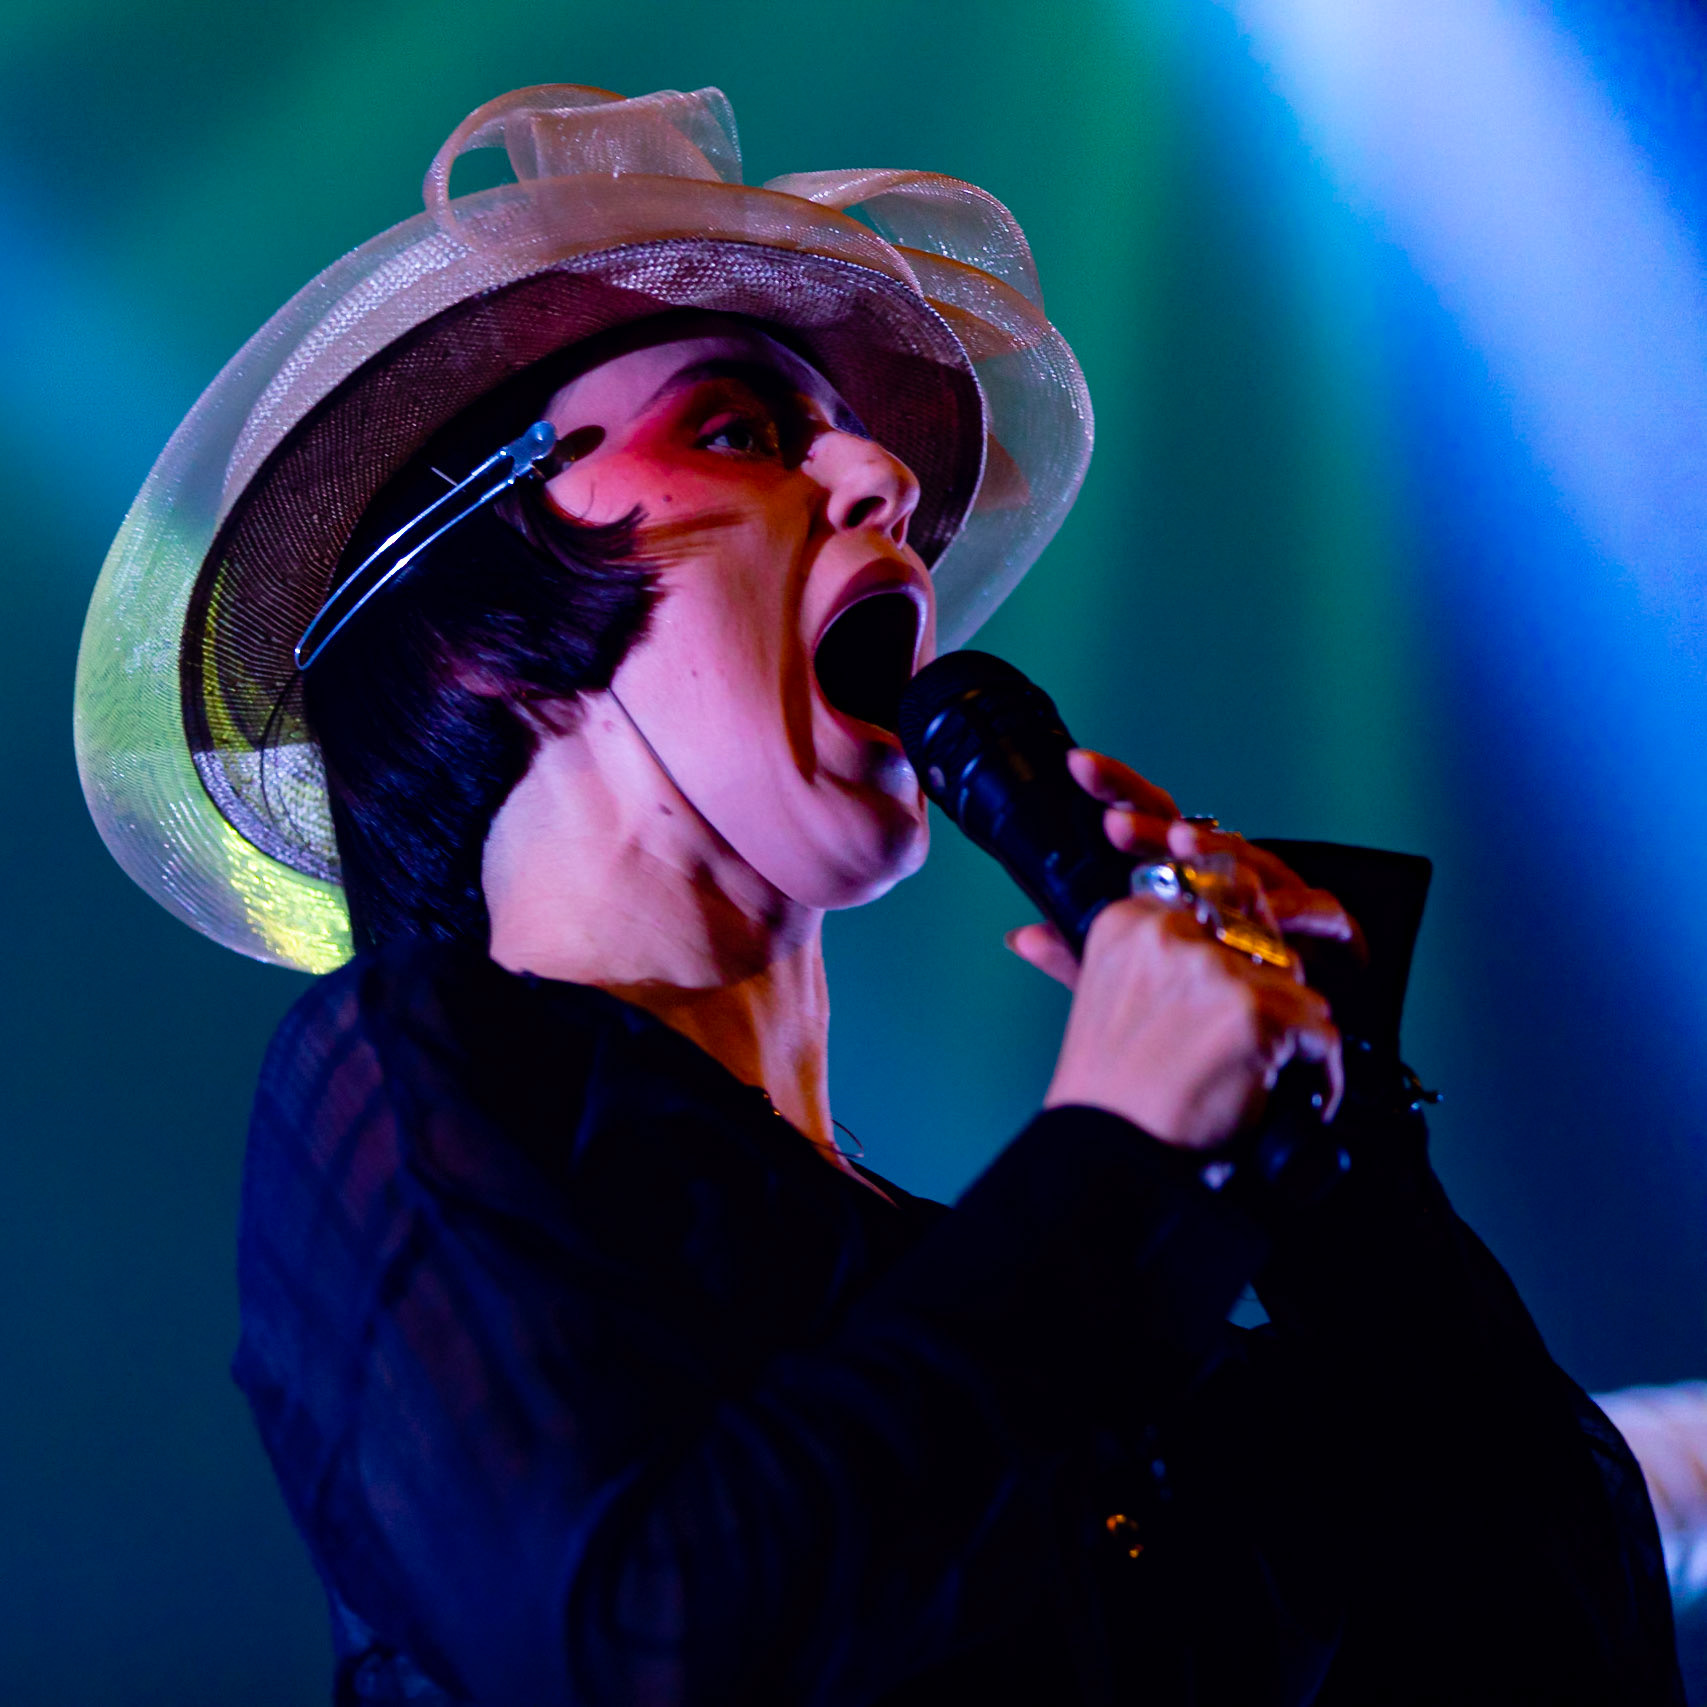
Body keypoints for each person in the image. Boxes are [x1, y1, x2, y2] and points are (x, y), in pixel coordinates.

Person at [75, 84, 1683, 1705]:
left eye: (846, 439)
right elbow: (634, 1648)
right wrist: (1117, 1158)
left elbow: (1568, 1643)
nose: (879, 475)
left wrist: (1340, 1167)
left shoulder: (1052, 1289)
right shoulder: (400, 1087)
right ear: (482, 636)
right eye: (735, 430)